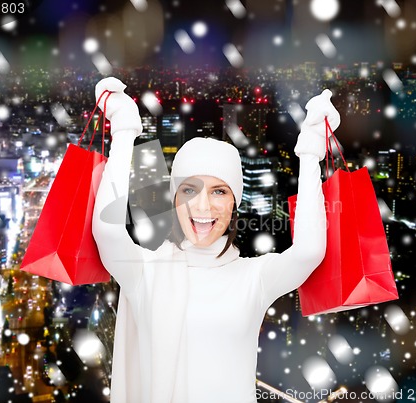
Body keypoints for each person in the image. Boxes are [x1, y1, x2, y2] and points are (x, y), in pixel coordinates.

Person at [92, 77, 340, 403]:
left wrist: (310, 154)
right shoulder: (144, 271)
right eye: (190, 190)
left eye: (219, 191)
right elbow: (107, 230)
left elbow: (309, 251)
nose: (203, 207)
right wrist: (124, 133)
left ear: (235, 202)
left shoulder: (254, 278)